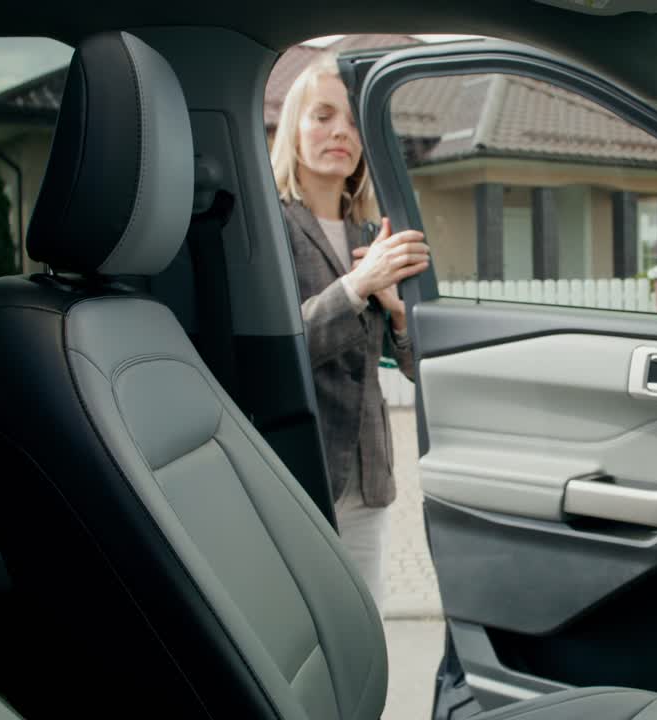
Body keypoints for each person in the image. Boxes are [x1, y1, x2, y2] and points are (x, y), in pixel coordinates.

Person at [269, 51, 429, 615]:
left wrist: (401, 316)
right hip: (298, 477)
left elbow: (412, 368)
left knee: (366, 630)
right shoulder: (270, 228)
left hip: (370, 477)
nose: (342, 131)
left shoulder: (373, 230)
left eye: (354, 120)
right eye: (322, 116)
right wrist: (358, 284)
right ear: (294, 128)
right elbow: (280, 349)